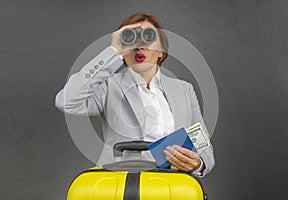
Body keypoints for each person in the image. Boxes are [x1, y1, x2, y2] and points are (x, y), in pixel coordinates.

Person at [55, 12, 215, 177]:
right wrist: (113, 51)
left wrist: (197, 164)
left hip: (170, 186)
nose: (140, 46)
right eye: (131, 39)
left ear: (161, 52)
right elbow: (66, 101)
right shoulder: (108, 87)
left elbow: (204, 147)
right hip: (121, 184)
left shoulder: (184, 89)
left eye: (148, 38)